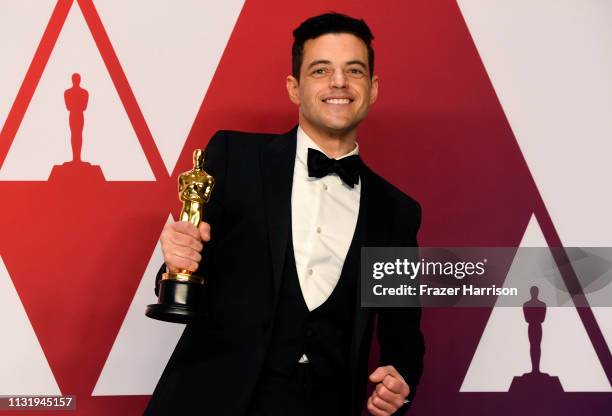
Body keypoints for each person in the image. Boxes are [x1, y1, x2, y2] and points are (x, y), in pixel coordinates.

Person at [145, 12, 424, 416]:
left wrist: (401, 382)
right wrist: (175, 262)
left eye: (355, 70)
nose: (339, 83)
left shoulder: (396, 211)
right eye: (320, 70)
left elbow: (404, 335)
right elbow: (186, 273)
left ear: (373, 88)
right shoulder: (234, 158)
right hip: (214, 401)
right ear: (294, 87)